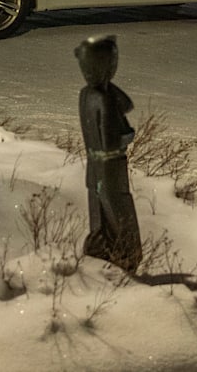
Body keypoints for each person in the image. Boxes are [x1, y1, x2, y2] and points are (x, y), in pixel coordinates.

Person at [75, 34, 142, 271]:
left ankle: (102, 252)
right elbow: (116, 136)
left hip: (94, 166)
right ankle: (125, 257)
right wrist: (128, 136)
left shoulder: (86, 94)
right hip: (111, 165)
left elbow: (126, 104)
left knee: (99, 213)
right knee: (118, 211)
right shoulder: (103, 99)